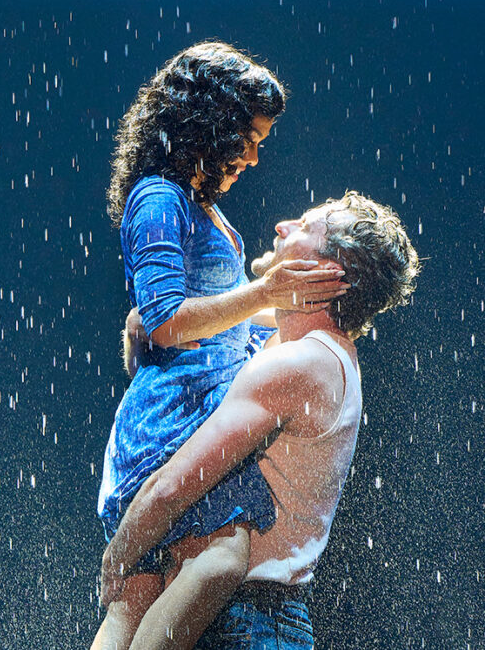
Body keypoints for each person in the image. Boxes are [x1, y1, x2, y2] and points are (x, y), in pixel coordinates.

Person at [93, 42, 351, 650]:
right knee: (223, 557)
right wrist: (267, 292)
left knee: (139, 594)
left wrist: (291, 314)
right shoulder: (160, 197)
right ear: (210, 123)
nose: (255, 158)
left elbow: (198, 321)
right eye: (250, 138)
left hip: (185, 408)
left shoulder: (200, 208)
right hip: (173, 420)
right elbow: (165, 322)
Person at [101, 192, 420, 649]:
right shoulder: (289, 343)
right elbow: (181, 374)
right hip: (231, 612)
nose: (282, 226)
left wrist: (116, 560)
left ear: (326, 273)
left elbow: (173, 486)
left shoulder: (304, 363)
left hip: (247, 619)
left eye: (306, 227)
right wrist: (148, 334)